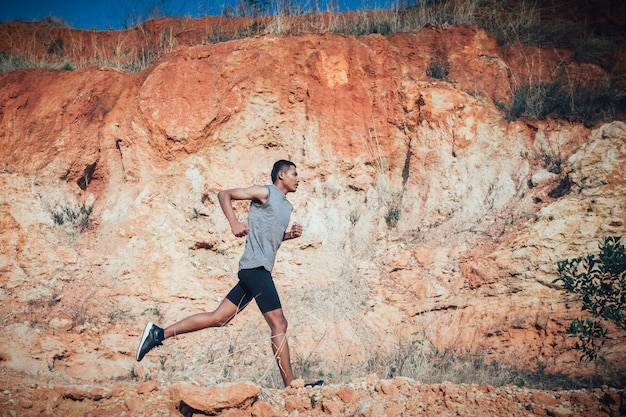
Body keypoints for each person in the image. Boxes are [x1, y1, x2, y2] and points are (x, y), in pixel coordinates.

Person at [136, 159, 305, 388]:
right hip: (254, 268)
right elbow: (224, 194)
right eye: (294, 174)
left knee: (219, 318)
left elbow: (269, 239)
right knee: (279, 324)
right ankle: (291, 387)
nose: (298, 178)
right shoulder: (265, 191)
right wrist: (233, 222)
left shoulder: (286, 207)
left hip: (257, 270)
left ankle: (158, 334)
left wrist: (288, 236)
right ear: (281, 175)